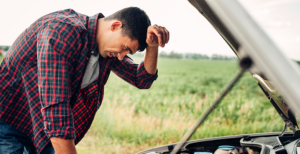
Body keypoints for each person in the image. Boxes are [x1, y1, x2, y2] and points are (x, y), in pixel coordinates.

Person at [0, 7, 169, 154]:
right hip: (10, 118)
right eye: (125, 48)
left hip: (42, 125)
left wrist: (153, 47)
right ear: (115, 26)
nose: (121, 56)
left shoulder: (107, 49)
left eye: (127, 53)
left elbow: (141, 79)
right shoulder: (62, 31)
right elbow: (56, 110)